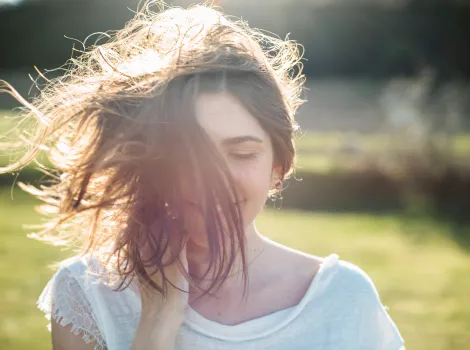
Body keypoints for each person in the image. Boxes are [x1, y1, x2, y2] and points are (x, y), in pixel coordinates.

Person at [0, 1, 405, 349]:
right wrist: (156, 327)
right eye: (187, 153)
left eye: (241, 152)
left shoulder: (343, 298)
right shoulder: (87, 294)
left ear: (278, 169)